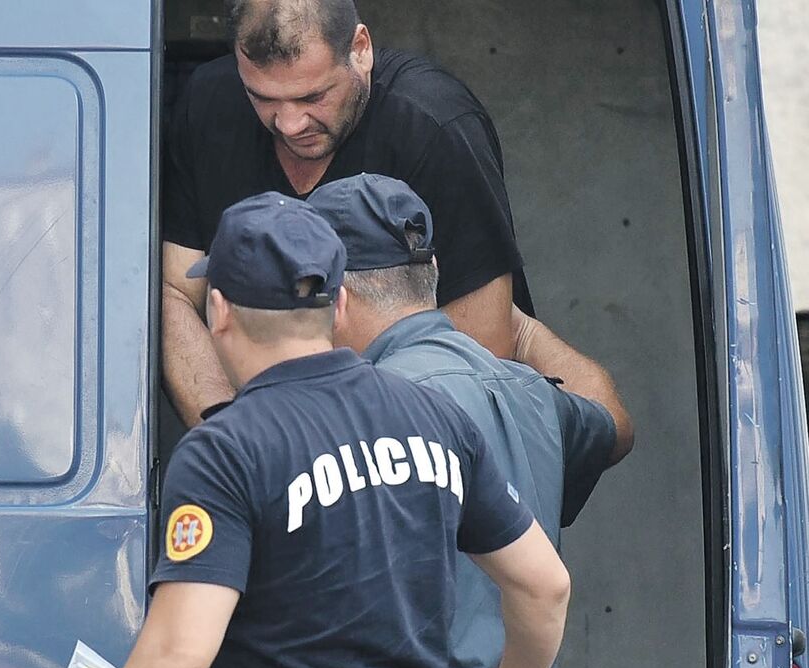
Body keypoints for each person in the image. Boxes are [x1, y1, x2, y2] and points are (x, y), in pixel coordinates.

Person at [84, 192, 586, 668]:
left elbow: (177, 657)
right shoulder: (434, 419)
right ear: (338, 302)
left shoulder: (226, 450)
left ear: (218, 310)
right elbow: (544, 584)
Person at [308, 173, 633, 668]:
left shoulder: (354, 408)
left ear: (334, 295)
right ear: (429, 275)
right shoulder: (532, 395)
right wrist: (524, 333)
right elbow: (615, 424)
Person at [163, 0, 536, 428]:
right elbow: (174, 293)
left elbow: (481, 349)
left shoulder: (435, 125)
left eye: (312, 97)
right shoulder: (208, 103)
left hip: (424, 438)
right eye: (262, 98)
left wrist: (341, 453)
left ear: (361, 49)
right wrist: (231, 435)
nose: (289, 124)